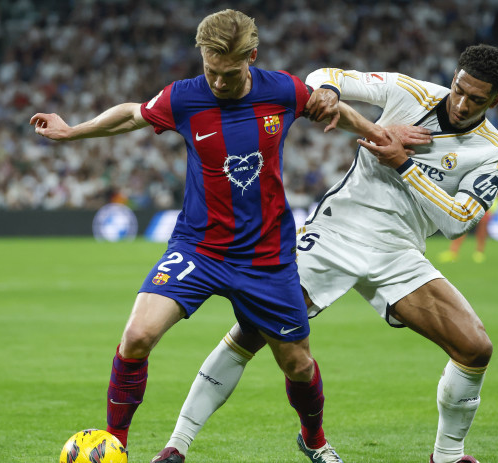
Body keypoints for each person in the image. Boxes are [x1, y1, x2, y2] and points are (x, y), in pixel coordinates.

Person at [155, 44, 498, 463]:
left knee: (475, 348)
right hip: (334, 234)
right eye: (459, 90)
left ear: (496, 100)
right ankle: (176, 445)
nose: (461, 103)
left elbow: (457, 222)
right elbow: (325, 76)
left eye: (476, 99)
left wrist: (403, 162)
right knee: (251, 331)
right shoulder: (408, 92)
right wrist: (331, 97)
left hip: (399, 253)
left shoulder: (493, 150)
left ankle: (448, 456)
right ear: (453, 78)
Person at [29, 9, 354, 463]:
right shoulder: (185, 98)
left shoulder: (282, 90)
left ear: (251, 58)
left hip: (266, 257)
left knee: (298, 365)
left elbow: (332, 107)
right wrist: (72, 132)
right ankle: (114, 443)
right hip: (198, 247)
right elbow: (131, 115)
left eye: (228, 73)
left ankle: (315, 441)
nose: (217, 82)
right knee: (138, 334)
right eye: (210, 70)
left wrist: (380, 134)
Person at [439, 192, 498, 263]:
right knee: (464, 223)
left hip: (488, 199)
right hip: (473, 199)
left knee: (482, 225)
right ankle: (453, 252)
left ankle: (479, 252)